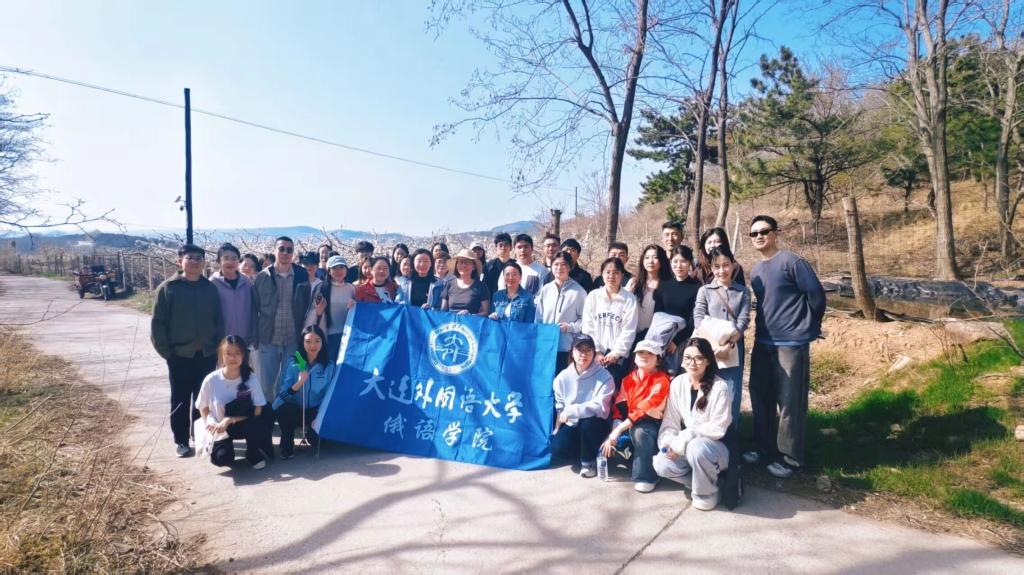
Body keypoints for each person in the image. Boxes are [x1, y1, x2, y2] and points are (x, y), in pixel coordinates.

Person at [744, 215, 826, 479]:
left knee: (790, 402)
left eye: (764, 231)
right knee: (761, 397)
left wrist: (810, 325)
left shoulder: (792, 262)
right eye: (754, 233)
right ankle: (762, 447)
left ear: (775, 233)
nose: (759, 236)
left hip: (791, 343)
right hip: (763, 341)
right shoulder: (756, 270)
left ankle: (791, 458)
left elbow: (816, 295)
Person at [151, 244, 224, 457]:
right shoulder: (168, 288)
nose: (194, 262)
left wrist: (217, 347)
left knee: (203, 400)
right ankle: (181, 440)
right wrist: (168, 354)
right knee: (180, 399)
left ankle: (200, 437)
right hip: (179, 355)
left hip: (206, 354)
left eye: (199, 258)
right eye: (190, 258)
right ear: (179, 261)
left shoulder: (209, 288)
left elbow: (218, 320)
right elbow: (158, 325)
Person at [653, 337, 732, 510]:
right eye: (688, 357)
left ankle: (707, 493)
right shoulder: (678, 383)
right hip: (687, 447)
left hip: (714, 448)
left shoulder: (720, 387)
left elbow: (718, 428)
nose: (692, 363)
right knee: (661, 464)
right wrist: (668, 445)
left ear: (708, 361)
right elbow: (670, 422)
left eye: (698, 358)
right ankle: (704, 483)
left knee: (696, 447)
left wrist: (689, 435)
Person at [601, 340, 670, 493]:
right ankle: (632, 460)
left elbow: (644, 408)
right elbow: (620, 407)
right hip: (629, 423)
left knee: (640, 432)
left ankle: (647, 477)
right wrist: (614, 432)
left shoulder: (662, 380)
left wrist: (618, 431)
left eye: (650, 353)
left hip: (652, 424)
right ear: (635, 356)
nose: (644, 356)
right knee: (604, 450)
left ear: (658, 359)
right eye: (641, 352)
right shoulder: (628, 379)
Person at [693, 245, 750, 430]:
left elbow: (743, 320)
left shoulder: (743, 292)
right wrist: (713, 347)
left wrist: (729, 343)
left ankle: (730, 439)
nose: (722, 270)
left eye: (726, 265)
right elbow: (698, 318)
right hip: (707, 349)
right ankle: (705, 436)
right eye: (717, 266)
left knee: (731, 394)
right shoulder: (705, 291)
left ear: (733, 265)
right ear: (711, 267)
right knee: (706, 392)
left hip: (732, 350)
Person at [253, 236, 312, 410]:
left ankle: (281, 414)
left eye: (289, 250)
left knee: (287, 381)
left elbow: (306, 303)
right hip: (268, 338)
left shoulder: (301, 275)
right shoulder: (262, 277)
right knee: (266, 383)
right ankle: (266, 416)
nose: (285, 253)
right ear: (275, 251)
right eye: (281, 249)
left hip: (293, 340)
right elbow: (255, 308)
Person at [196, 335, 268, 469]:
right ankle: (225, 448)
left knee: (257, 423)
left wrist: (230, 419)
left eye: (237, 353)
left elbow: (258, 410)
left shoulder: (251, 378)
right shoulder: (211, 379)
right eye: (228, 353)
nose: (232, 357)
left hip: (244, 424)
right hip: (220, 428)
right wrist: (210, 422)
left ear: (243, 355)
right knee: (222, 459)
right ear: (221, 355)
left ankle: (253, 453)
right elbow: (203, 406)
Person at [551, 334, 615, 478]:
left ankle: (588, 462)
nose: (583, 354)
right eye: (579, 350)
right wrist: (557, 429)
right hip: (573, 423)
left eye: (588, 350)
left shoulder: (605, 376)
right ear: (572, 352)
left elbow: (601, 408)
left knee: (588, 424)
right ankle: (586, 452)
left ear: (594, 353)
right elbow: (560, 407)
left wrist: (573, 410)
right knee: (557, 450)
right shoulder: (562, 377)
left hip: (596, 423)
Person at [273, 326, 335, 459]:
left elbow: (328, 396)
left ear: (323, 342)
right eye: (308, 341)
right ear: (302, 342)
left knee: (317, 441)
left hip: (315, 411)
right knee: (284, 410)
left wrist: (320, 416)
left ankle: (313, 433)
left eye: (317, 341)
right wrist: (298, 384)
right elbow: (283, 394)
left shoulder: (328, 365)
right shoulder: (293, 362)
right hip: (295, 409)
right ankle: (287, 444)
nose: (312, 345)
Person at [582, 257, 637, 386]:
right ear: (602, 274)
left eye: (616, 272)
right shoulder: (593, 296)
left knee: (613, 390)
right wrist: (596, 351)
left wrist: (616, 354)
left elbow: (629, 330)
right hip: (594, 354)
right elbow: (587, 326)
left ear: (622, 275)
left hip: (617, 358)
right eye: (608, 272)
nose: (611, 276)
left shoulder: (629, 299)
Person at [535, 251, 586, 373]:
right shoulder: (546, 289)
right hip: (546, 345)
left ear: (569, 267)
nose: (559, 268)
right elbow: (538, 317)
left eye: (563, 264)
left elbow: (585, 320)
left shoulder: (579, 292)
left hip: (566, 347)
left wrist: (569, 327)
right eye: (556, 264)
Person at [655, 245, 702, 373]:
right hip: (662, 337)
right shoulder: (664, 285)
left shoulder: (697, 287)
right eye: (675, 261)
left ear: (690, 263)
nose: (679, 265)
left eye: (683, 261)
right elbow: (657, 314)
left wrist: (676, 341)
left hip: (684, 340)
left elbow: (694, 319)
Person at [307, 255, 356, 362]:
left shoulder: (351, 288)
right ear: (329, 271)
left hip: (348, 335)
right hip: (328, 335)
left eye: (341, 267)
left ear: (346, 270)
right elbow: (312, 312)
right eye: (334, 268)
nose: (338, 271)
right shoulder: (322, 288)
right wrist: (318, 312)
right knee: (330, 366)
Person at [210, 243, 256, 344]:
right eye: (226, 258)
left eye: (234, 258)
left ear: (238, 261)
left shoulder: (247, 282)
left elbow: (253, 311)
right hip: (223, 342)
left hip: (245, 340)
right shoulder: (212, 284)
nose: (230, 262)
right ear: (219, 261)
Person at [626, 244, 671, 340]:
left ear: (662, 260)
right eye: (647, 258)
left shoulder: (668, 285)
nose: (650, 261)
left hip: (655, 337)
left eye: (655, 257)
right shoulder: (633, 283)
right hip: (632, 336)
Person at [441, 249, 491, 316]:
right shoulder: (449, 284)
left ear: (474, 267)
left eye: (467, 262)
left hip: (471, 322)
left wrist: (470, 315)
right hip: (450, 322)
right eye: (461, 262)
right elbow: (443, 311)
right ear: (456, 265)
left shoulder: (481, 287)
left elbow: (486, 312)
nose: (463, 265)